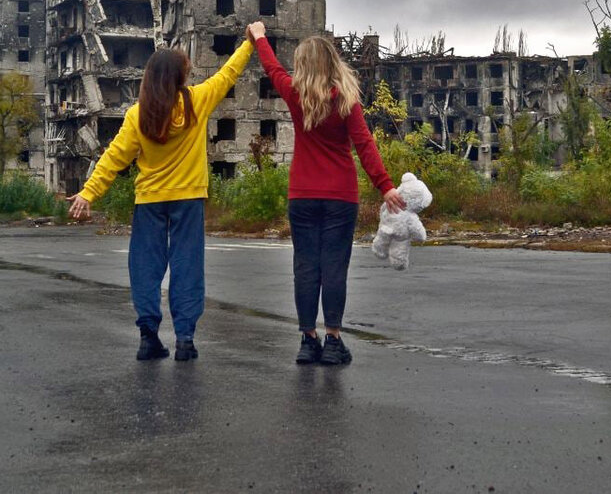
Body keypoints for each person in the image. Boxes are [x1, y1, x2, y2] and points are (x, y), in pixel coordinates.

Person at [67, 32, 254, 362]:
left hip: (150, 201)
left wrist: (88, 192)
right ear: (180, 77)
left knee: (145, 267)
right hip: (189, 199)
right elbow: (228, 74)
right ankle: (185, 340)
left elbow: (113, 158)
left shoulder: (137, 115)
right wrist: (250, 42)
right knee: (187, 267)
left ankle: (148, 337)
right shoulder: (197, 101)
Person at [248, 22, 406, 365]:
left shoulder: (294, 94)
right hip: (339, 196)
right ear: (333, 64)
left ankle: (308, 341)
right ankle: (333, 341)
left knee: (305, 267)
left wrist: (260, 37)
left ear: (304, 66)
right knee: (334, 267)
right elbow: (364, 145)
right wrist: (385, 186)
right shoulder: (347, 101)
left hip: (302, 195)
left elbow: (272, 68)